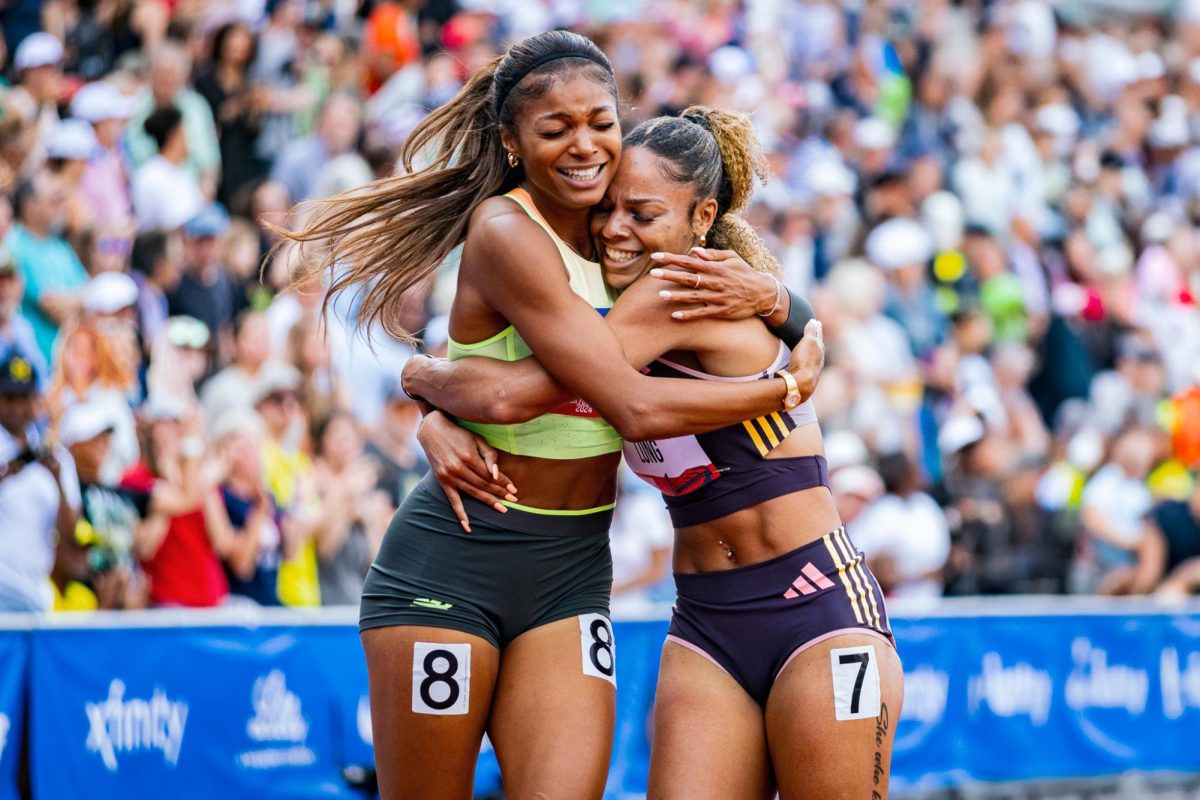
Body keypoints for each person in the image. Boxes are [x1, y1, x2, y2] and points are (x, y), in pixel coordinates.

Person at [282, 30, 821, 799]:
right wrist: (785, 389)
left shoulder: (622, 227)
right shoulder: (507, 228)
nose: (585, 145)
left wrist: (786, 304)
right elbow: (612, 402)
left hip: (571, 570)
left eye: (600, 121)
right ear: (511, 141)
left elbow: (730, 279)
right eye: (555, 128)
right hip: (455, 561)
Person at [405, 107, 902, 798]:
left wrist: (422, 379)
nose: (614, 229)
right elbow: (492, 368)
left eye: (642, 214)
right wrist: (429, 402)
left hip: (815, 605)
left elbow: (513, 393)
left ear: (700, 219)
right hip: (705, 618)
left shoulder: (675, 290)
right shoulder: (600, 305)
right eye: (606, 210)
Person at [0, 353, 81, 612]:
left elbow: (70, 535)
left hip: (35, 591)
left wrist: (57, 480)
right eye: (9, 398)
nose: (16, 407)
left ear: (36, 400)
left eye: (24, 398)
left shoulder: (56, 456)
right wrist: (6, 474)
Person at [10, 170, 89, 361]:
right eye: (55, 201)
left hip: (70, 364)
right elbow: (53, 306)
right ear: (29, 206)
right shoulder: (16, 245)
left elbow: (93, 294)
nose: (63, 207)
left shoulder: (60, 246)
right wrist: (80, 302)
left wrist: (78, 301)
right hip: (37, 364)